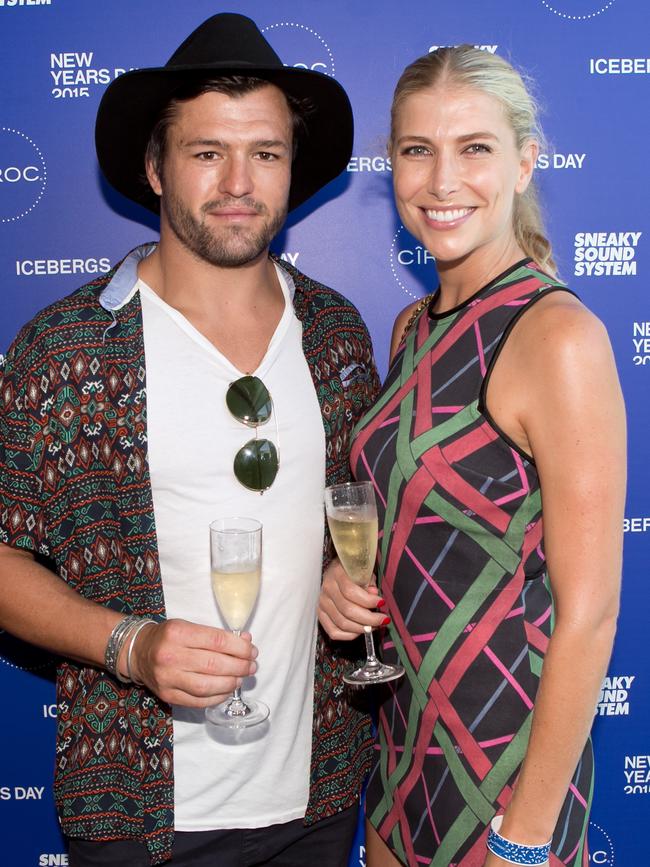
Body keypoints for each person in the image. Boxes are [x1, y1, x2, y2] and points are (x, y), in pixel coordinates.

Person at [0, 13, 379, 867]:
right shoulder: (67, 349)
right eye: (208, 152)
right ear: (154, 167)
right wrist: (129, 644)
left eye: (267, 153)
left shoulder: (336, 335)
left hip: (318, 792)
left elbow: (355, 516)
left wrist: (336, 579)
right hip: (137, 815)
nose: (239, 181)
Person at [318, 45, 625, 867]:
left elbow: (589, 610)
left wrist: (525, 835)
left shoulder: (557, 337)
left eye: (474, 149)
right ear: (394, 166)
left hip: (507, 768)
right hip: (401, 752)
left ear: (525, 162)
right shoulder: (413, 328)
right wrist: (346, 585)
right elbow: (424, 515)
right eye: (418, 151)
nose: (443, 181)